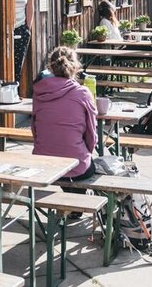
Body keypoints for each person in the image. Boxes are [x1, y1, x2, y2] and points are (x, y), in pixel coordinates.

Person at [31, 46, 97, 193]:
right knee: (85, 165)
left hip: (42, 163)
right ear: (76, 66)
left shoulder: (39, 91)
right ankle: (75, 207)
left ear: (50, 67)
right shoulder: (83, 93)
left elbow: (35, 130)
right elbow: (92, 135)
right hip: (76, 165)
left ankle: (69, 208)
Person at [13, 0, 36, 78]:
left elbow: (30, 8)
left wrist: (28, 28)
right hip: (7, 27)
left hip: (21, 27)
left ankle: (14, 89)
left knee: (18, 63)